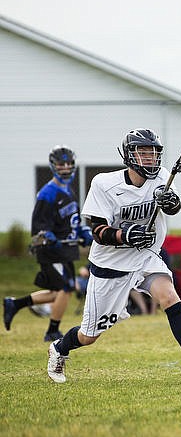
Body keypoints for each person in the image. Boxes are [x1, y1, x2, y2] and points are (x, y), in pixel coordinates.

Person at [46, 128, 181, 383]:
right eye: (143, 153)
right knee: (89, 336)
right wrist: (126, 235)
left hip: (145, 256)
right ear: (129, 155)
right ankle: (59, 348)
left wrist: (170, 202)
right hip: (110, 265)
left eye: (154, 153)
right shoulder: (104, 184)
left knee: (169, 295)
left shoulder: (163, 177)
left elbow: (174, 206)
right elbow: (97, 231)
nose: (150, 159)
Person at [4, 145, 93, 342]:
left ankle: (15, 304)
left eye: (69, 163)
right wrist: (47, 236)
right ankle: (52, 331)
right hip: (52, 251)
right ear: (53, 166)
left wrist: (82, 232)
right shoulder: (48, 193)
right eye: (62, 164)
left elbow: (71, 220)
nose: (66, 167)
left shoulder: (68, 190)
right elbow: (39, 228)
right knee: (67, 288)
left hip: (65, 251)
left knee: (56, 292)